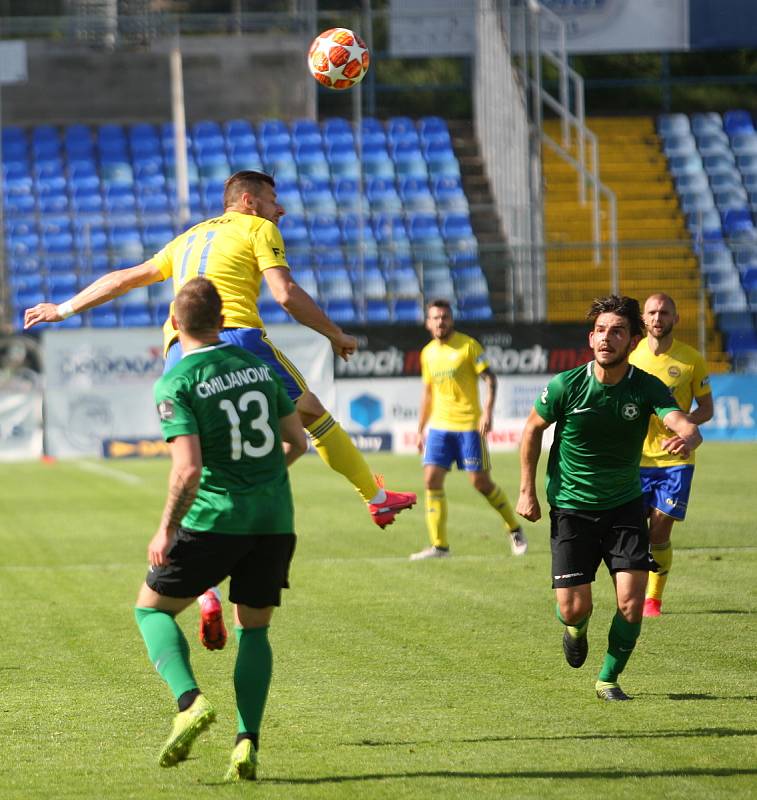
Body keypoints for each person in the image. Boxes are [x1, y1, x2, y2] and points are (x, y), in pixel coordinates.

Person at [24, 170, 416, 649]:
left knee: (202, 462)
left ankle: (204, 584)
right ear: (248, 202)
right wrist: (335, 334)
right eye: (274, 201)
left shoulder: (188, 236)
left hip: (181, 350)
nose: (281, 211)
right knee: (309, 412)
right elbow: (285, 294)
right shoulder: (258, 229)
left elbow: (126, 278)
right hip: (234, 338)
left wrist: (62, 309)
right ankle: (374, 499)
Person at [135, 277, 307, 781]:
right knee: (254, 629)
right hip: (274, 519)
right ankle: (245, 743)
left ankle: (189, 702)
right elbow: (295, 442)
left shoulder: (176, 382)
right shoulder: (256, 366)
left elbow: (187, 469)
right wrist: (260, 480)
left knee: (150, 610)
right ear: (224, 321)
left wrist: (165, 529)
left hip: (214, 518)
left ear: (173, 322)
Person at [516, 295, 702, 701]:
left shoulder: (646, 386)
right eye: (601, 330)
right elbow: (531, 430)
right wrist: (527, 490)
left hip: (624, 507)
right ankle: (575, 629)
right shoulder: (567, 385)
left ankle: (608, 679)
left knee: (631, 604)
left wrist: (688, 431)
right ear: (590, 338)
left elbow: (675, 417)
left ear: (632, 340)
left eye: (617, 331)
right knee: (573, 608)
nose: (607, 338)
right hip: (572, 508)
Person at [411, 299, 526, 560]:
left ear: (451, 319)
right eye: (435, 318)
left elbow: (490, 378)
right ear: (428, 323)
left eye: (445, 317)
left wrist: (488, 412)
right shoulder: (427, 353)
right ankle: (439, 546)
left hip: (468, 428)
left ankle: (514, 528)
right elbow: (427, 393)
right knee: (431, 480)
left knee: (481, 483)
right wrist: (420, 429)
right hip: (440, 427)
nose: (441, 322)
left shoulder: (468, 346)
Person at [628, 292, 713, 617]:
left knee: (660, 529)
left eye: (664, 312)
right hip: (637, 458)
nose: (657, 317)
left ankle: (653, 598)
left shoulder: (691, 359)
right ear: (644, 319)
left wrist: (686, 428)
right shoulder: (632, 358)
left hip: (676, 460)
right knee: (635, 530)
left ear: (675, 319)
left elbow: (706, 408)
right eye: (652, 312)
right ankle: (633, 590)